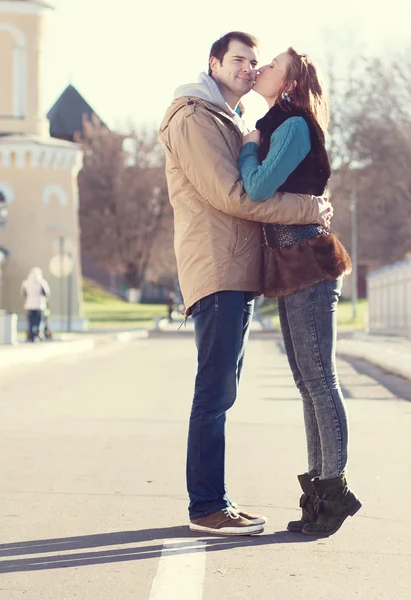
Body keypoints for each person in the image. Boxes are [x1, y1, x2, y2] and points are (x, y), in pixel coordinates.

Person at [158, 31, 333, 536]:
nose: (249, 68)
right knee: (213, 392)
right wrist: (308, 208)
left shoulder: (227, 119)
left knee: (222, 390)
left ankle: (212, 501)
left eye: (255, 61)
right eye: (238, 59)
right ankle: (208, 506)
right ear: (213, 63)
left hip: (235, 267)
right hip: (217, 267)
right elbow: (234, 195)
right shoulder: (194, 117)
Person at [238, 47, 362, 537]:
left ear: (288, 84)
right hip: (293, 266)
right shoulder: (278, 120)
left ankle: (334, 490)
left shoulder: (291, 124)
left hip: (308, 262)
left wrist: (249, 147)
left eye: (271, 66)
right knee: (308, 382)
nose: (260, 68)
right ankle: (319, 491)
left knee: (320, 380)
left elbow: (259, 188)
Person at [21, 267, 50, 343]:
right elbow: (46, 293)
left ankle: (31, 336)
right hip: (39, 305)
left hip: (29, 305)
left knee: (31, 322)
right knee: (39, 322)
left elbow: (24, 294)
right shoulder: (41, 282)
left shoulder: (26, 283)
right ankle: (38, 335)